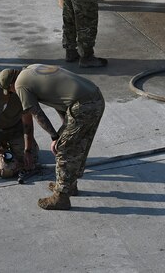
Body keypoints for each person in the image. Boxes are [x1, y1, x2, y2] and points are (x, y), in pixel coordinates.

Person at [7, 64, 105, 210]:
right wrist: (62, 130)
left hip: (82, 105)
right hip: (95, 97)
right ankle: (68, 185)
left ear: (10, 85)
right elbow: (60, 101)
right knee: (77, 145)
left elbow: (37, 114)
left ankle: (61, 197)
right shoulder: (31, 69)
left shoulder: (20, 85)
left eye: (10, 92)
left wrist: (54, 137)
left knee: (63, 149)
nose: (13, 94)